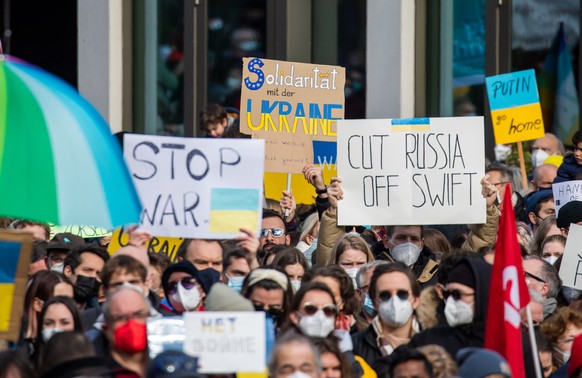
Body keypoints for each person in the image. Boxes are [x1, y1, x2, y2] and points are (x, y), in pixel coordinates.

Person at [409, 257, 491, 358]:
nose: (451, 301)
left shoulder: (504, 342)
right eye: (447, 294)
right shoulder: (427, 339)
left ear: (481, 294)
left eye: (457, 294)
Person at [352, 263, 421, 365]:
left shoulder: (435, 340)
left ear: (416, 300)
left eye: (402, 294)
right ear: (374, 302)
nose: (394, 301)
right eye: (385, 295)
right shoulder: (353, 345)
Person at [19, 270, 74, 355]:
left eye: (70, 301)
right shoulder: (14, 344)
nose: (66, 307)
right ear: (38, 304)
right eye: (59, 300)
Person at [101, 285, 152, 376]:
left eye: (139, 315)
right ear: (106, 328)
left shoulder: (169, 367)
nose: (131, 324)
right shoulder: (94, 372)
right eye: (119, 318)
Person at [307, 265, 367, 332]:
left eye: (330, 294)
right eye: (316, 293)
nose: (321, 299)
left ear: (343, 301)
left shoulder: (361, 336)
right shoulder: (295, 331)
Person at [33, 296, 83, 371]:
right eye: (49, 323)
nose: (56, 328)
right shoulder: (29, 367)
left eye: (64, 323)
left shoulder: (89, 369)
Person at [63, 244, 110, 308]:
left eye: (99, 274)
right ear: (68, 271)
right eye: (88, 270)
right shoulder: (47, 308)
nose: (93, 276)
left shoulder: (102, 316)